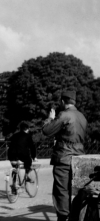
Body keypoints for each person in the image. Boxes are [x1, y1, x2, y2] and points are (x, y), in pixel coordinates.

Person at [42, 91, 87, 221]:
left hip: (64, 158)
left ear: (62, 102)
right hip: (79, 158)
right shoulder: (82, 116)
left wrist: (50, 118)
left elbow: (46, 130)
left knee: (61, 192)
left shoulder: (64, 115)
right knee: (77, 192)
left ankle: (63, 218)